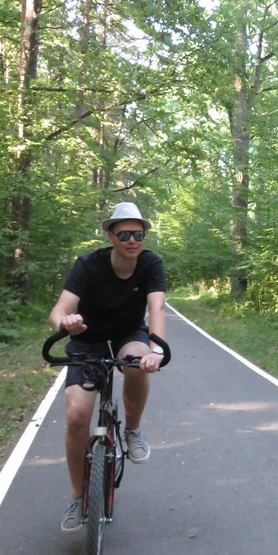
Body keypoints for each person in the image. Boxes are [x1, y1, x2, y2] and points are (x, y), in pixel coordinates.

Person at [49, 201, 167, 533]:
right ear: (111, 236)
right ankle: (77, 497)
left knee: (137, 364)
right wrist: (65, 322)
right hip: (87, 338)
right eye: (124, 234)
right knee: (77, 417)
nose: (132, 240)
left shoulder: (150, 264)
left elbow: (157, 307)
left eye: (138, 234)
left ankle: (132, 430)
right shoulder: (88, 265)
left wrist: (156, 349)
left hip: (129, 333)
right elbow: (59, 310)